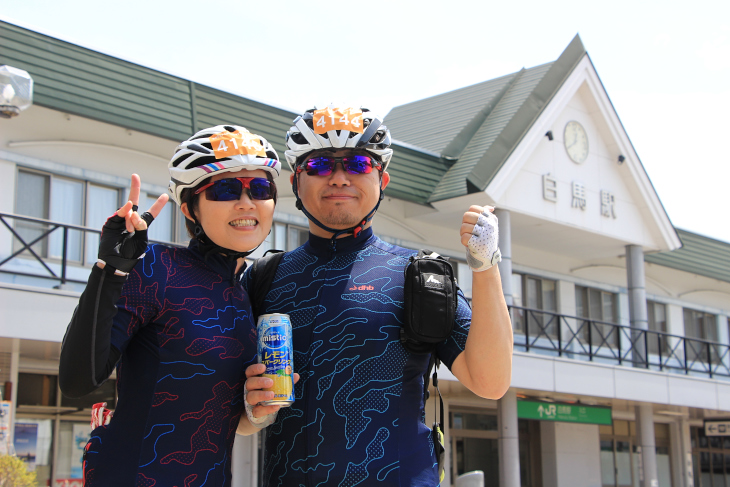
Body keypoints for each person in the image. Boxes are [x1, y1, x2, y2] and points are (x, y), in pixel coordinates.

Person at [240, 107, 513, 486]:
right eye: (319, 165)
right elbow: (220, 401)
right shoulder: (263, 279)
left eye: (357, 164)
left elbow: (491, 382)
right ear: (295, 182)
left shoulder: (419, 274)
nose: (338, 177)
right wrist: (251, 411)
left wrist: (485, 266)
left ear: (382, 179)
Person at [58, 125, 283, 486]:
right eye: (225, 189)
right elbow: (76, 380)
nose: (247, 202)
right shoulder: (155, 267)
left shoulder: (246, 292)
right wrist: (109, 272)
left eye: (260, 189)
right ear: (190, 209)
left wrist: (256, 409)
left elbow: (223, 416)